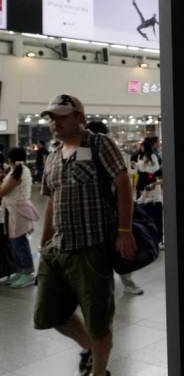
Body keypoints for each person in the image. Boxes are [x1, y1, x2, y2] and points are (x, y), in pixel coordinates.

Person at [34, 94, 136, 376]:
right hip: (58, 249)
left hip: (91, 248)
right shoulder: (53, 156)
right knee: (51, 314)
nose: (55, 123)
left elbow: (123, 183)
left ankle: (99, 372)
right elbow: (52, 202)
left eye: (61, 116)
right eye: (51, 118)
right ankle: (91, 347)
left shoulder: (99, 144)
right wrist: (44, 245)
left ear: (80, 117)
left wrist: (124, 231)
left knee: (98, 320)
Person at [85, 120, 144, 296]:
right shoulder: (89, 151)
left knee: (117, 248)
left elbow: (122, 183)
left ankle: (125, 282)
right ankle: (126, 283)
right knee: (115, 251)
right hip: (107, 209)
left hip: (108, 209)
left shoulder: (102, 149)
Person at [0, 147, 40, 288]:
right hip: (14, 210)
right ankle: (20, 270)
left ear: (10, 159)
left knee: (19, 242)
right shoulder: (18, 169)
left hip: (18, 210)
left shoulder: (18, 171)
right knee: (14, 241)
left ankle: (28, 273)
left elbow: (3, 191)